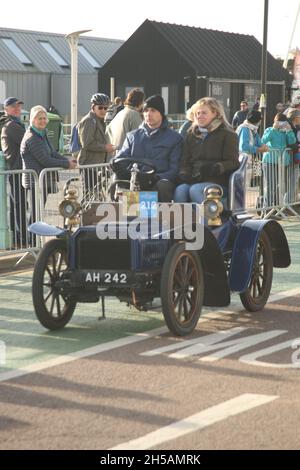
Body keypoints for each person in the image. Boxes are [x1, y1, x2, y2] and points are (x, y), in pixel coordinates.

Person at [115, 95, 183, 202]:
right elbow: (121, 158)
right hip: (135, 180)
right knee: (116, 182)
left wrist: (155, 178)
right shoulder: (132, 136)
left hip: (158, 180)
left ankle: (157, 217)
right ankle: (124, 216)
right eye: (145, 110)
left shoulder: (175, 138)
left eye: (153, 110)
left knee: (162, 186)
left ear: (161, 114)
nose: (148, 114)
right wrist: (114, 164)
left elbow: (174, 169)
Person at [174, 97, 239, 204]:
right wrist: (184, 173)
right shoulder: (191, 135)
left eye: (204, 113)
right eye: (197, 113)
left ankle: (210, 217)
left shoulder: (228, 134)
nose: (199, 116)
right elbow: (185, 160)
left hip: (218, 182)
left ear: (215, 113)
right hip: (194, 179)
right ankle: (182, 220)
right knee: (180, 191)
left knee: (195, 190)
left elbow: (233, 162)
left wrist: (217, 167)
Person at [20, 105, 77, 225]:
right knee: (36, 213)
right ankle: (33, 240)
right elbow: (45, 160)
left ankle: (35, 238)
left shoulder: (42, 134)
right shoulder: (32, 137)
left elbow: (53, 153)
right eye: (39, 118)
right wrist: (66, 164)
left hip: (43, 180)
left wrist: (69, 161)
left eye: (44, 118)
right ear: (33, 120)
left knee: (39, 212)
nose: (43, 121)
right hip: (34, 181)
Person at [78, 93, 115, 203]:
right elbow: (87, 143)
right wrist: (105, 147)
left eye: (105, 108)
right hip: (89, 165)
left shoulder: (100, 120)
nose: (103, 110)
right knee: (89, 197)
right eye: (100, 107)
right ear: (93, 107)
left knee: (96, 196)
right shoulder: (89, 120)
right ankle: (82, 219)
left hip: (97, 166)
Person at [0, 97, 27, 246]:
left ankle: (19, 236)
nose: (17, 109)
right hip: (16, 169)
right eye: (14, 107)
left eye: (19, 106)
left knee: (18, 203)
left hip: (16, 169)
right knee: (20, 204)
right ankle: (21, 237)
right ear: (6, 109)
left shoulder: (14, 124)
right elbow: (27, 142)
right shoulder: (12, 126)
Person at [261, 113, 296, 206]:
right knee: (270, 186)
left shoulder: (286, 131)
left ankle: (275, 208)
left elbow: (292, 142)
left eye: (282, 122)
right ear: (274, 121)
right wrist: (273, 129)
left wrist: (289, 130)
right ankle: (266, 208)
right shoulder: (269, 130)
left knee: (279, 186)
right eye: (278, 122)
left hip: (282, 162)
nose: (280, 124)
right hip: (269, 161)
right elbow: (263, 141)